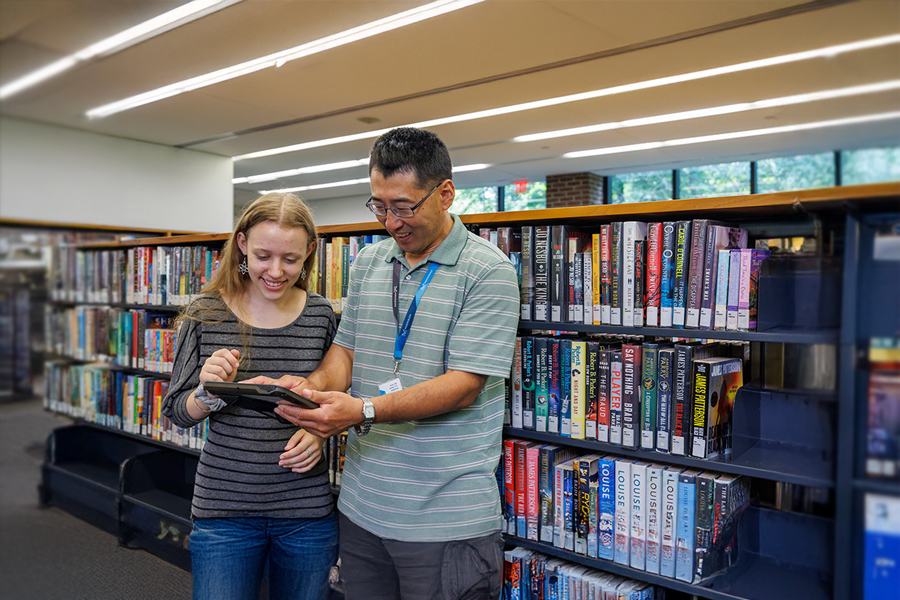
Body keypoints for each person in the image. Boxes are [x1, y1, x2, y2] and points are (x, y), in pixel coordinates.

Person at [255, 127, 520, 600]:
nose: (391, 221)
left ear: (445, 194)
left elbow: (463, 385)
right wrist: (312, 389)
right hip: (361, 508)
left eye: (403, 206)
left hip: (444, 520)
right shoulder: (369, 261)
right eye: (379, 205)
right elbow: (347, 350)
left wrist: (363, 411)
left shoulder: (489, 271)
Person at [161, 192, 338, 600]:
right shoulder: (206, 310)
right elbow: (177, 411)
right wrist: (207, 392)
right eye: (263, 256)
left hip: (305, 512)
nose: (276, 271)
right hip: (225, 512)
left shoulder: (320, 314)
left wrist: (320, 433)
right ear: (241, 244)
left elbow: (336, 394)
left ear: (310, 252)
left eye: (290, 260)